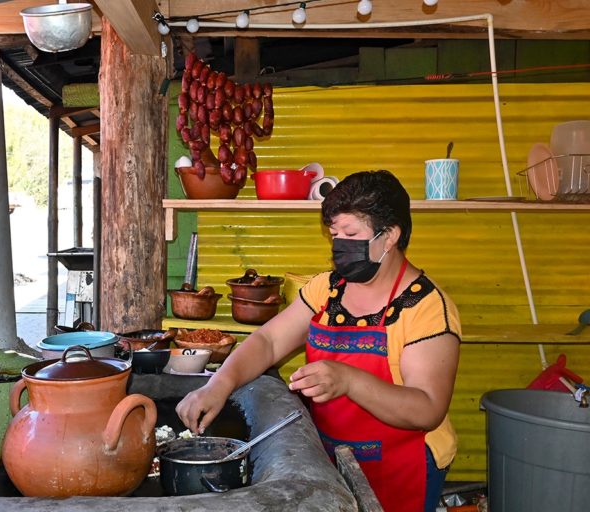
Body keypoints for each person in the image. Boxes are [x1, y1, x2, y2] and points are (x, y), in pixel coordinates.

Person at [176, 170, 461, 512]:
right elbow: (268, 341)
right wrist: (218, 385)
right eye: (334, 234)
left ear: (390, 237)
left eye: (351, 234)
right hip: (331, 456)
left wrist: (348, 380)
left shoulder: (427, 308)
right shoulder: (327, 289)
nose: (339, 245)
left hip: (407, 465)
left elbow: (427, 408)